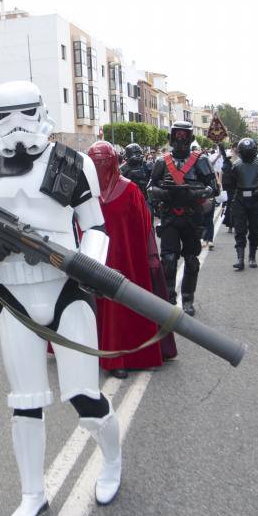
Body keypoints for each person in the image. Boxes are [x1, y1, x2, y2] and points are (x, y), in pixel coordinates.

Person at [0, 80, 122, 516]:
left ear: (41, 111)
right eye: (6, 116)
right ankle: (32, 495)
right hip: (13, 297)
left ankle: (112, 463)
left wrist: (90, 264)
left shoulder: (74, 163)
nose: (17, 125)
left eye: (26, 113)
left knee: (83, 395)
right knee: (24, 403)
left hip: (67, 290)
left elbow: (96, 226)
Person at [87, 141, 176, 380]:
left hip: (128, 260)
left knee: (130, 305)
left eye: (104, 162)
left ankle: (136, 355)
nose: (100, 167)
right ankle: (107, 356)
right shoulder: (85, 193)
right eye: (95, 162)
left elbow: (145, 226)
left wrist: (150, 256)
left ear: (114, 161)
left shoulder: (130, 190)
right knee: (98, 307)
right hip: (96, 259)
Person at [148, 121, 216, 316]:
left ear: (191, 138)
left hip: (192, 216)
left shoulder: (201, 161)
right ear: (171, 137)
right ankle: (168, 297)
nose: (180, 140)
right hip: (170, 216)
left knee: (192, 260)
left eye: (184, 136)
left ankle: (188, 299)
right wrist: (164, 193)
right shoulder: (162, 162)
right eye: (177, 135)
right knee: (168, 260)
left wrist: (194, 194)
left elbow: (213, 188)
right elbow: (150, 188)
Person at [223, 138, 258, 271]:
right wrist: (227, 170)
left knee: (255, 229)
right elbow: (229, 185)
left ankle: (252, 256)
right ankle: (240, 258)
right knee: (240, 230)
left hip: (255, 198)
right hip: (240, 199)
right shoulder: (236, 165)